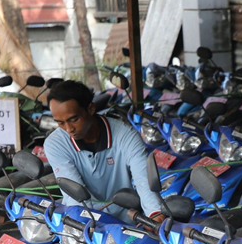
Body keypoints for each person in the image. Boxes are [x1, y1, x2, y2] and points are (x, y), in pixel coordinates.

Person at [43, 80, 163, 221]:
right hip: (86, 222)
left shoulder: (126, 135)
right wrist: (85, 226)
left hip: (128, 221)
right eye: (60, 123)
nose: (69, 129)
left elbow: (143, 179)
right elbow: (75, 196)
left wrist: (154, 213)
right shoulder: (55, 144)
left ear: (91, 109)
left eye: (74, 119)